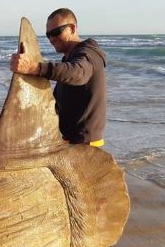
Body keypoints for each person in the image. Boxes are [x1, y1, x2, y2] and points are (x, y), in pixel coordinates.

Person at [9, 8, 107, 147]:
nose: (52, 39)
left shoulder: (88, 54)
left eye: (56, 32)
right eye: (48, 34)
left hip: (87, 147)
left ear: (72, 28)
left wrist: (33, 67)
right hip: (70, 142)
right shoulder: (68, 61)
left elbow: (78, 73)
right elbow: (57, 104)